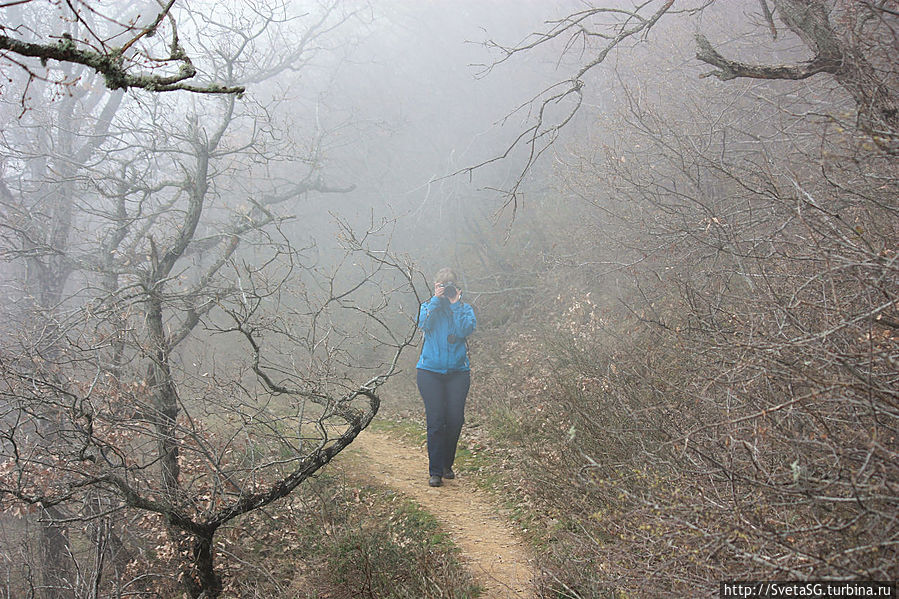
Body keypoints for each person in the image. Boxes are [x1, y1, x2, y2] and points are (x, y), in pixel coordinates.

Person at [416, 267, 477, 487]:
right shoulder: (427, 307)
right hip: (429, 372)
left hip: (457, 373)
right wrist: (435, 299)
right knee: (436, 420)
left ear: (457, 287)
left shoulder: (464, 309)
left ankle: (446, 464)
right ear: (435, 286)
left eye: (450, 285)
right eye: (442, 285)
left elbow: (465, 330)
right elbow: (423, 324)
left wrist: (455, 304)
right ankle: (435, 471)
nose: (446, 288)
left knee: (455, 419)